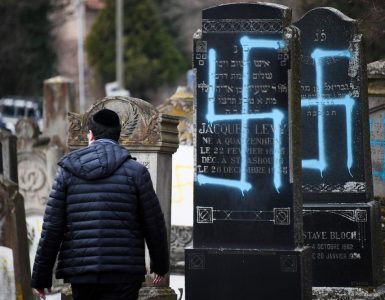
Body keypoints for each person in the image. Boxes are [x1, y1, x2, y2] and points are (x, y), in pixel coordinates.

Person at [31, 108, 169, 300]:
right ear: (118, 136)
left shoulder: (68, 171)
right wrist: (160, 266)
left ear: (91, 135)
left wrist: (40, 277)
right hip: (124, 272)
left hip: (81, 272)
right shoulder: (136, 172)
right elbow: (153, 223)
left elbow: (52, 227)